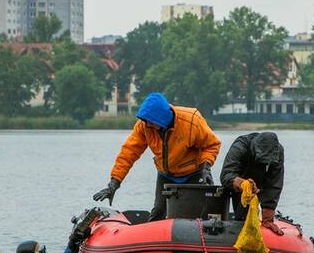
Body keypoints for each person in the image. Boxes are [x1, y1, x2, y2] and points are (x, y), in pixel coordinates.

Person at [93, 92, 221, 221]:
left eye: (151, 122)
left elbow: (211, 145)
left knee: (199, 211)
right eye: (146, 121)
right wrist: (114, 183)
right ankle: (153, 235)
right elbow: (128, 153)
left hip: (194, 173)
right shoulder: (144, 125)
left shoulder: (192, 120)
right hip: (166, 175)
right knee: (159, 210)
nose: (148, 125)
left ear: (162, 118)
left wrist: (206, 167)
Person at [219, 131, 285, 235]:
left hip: (259, 182)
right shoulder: (240, 146)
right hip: (237, 182)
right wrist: (244, 184)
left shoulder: (277, 152)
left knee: (264, 195)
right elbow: (226, 175)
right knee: (241, 217)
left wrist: (267, 218)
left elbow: (274, 185)